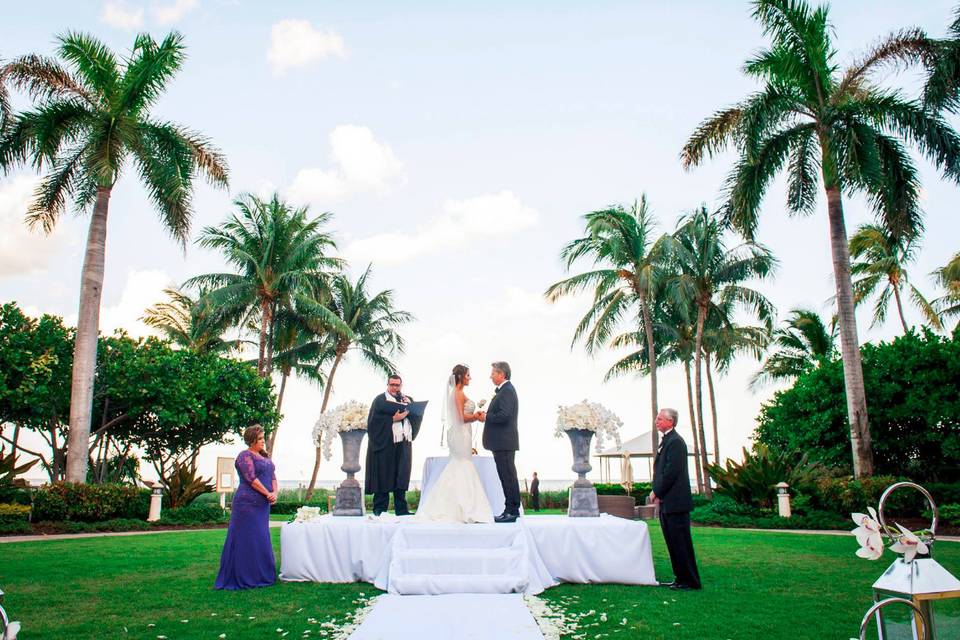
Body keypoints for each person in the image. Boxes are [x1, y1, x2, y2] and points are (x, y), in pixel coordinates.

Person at [414, 364, 494, 523]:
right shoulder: (457, 393)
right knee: (461, 464)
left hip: (463, 433)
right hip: (461, 434)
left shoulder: (459, 393)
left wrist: (474, 416)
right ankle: (459, 507)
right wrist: (477, 417)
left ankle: (460, 504)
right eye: (468, 375)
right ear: (461, 376)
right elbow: (461, 417)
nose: (470, 378)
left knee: (461, 464)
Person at [215, 424, 277, 590]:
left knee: (261, 537)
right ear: (251, 440)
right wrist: (267, 493)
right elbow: (251, 479)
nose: (263, 442)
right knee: (247, 538)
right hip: (247, 504)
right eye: (261, 439)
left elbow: (273, 477)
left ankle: (262, 574)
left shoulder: (265, 457)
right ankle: (244, 575)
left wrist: (274, 494)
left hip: (263, 505)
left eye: (264, 438)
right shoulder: (244, 456)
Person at [650, 408, 702, 591]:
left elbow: (671, 472)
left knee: (681, 543)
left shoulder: (676, 442)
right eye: (657, 418)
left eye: (660, 418)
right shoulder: (667, 441)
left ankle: (689, 580)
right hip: (668, 503)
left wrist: (656, 491)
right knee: (672, 543)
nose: (657, 421)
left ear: (671, 422)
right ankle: (680, 578)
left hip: (677, 503)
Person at [364, 374, 423, 515]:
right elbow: (372, 423)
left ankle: (401, 510)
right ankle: (380, 509)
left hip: (403, 442)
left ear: (401, 386)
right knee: (383, 476)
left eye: (397, 385)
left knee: (401, 475)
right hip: (386, 443)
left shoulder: (407, 399)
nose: (395, 388)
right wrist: (392, 419)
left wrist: (411, 406)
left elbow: (416, 416)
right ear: (387, 385)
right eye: (392, 385)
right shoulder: (379, 400)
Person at [475, 361, 520, 523]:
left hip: (504, 442)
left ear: (502, 374)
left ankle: (512, 511)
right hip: (502, 442)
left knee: (508, 476)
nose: (491, 376)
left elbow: (505, 415)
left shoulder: (507, 391)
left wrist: (486, 417)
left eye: (493, 373)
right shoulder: (505, 390)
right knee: (505, 476)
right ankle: (509, 509)